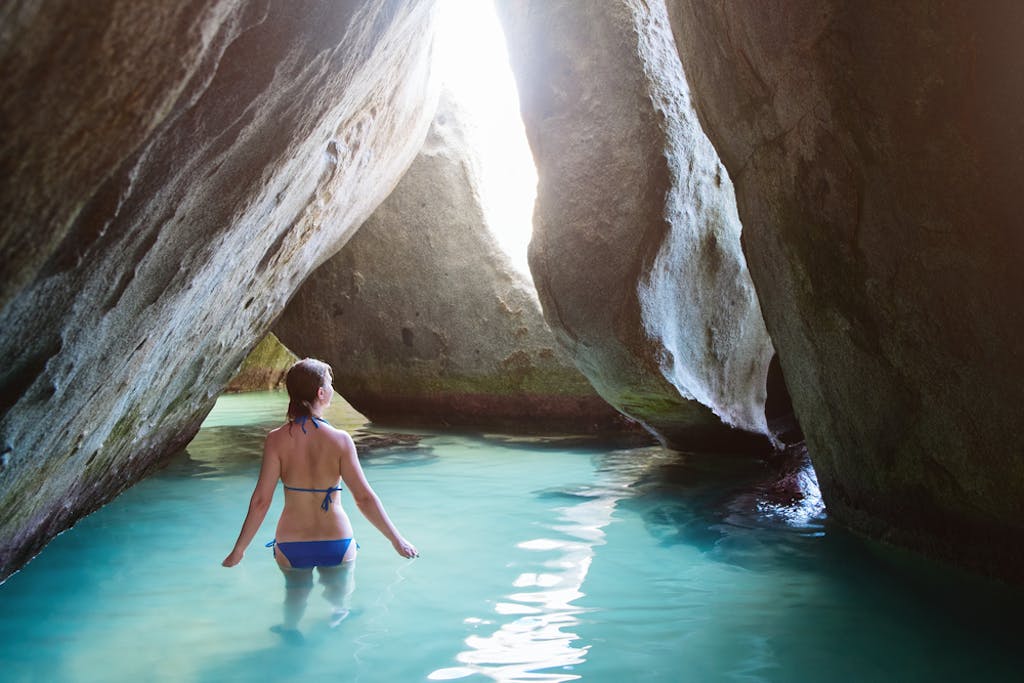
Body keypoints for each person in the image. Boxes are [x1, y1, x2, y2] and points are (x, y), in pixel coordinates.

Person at [223, 357, 417, 633]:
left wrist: (238, 550)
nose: (332, 389)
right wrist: (397, 540)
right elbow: (364, 498)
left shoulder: (276, 440)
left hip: (292, 543)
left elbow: (261, 501)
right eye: (330, 384)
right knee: (339, 603)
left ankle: (290, 631)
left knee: (295, 596)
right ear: (321, 393)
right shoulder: (340, 440)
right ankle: (337, 620)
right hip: (335, 541)